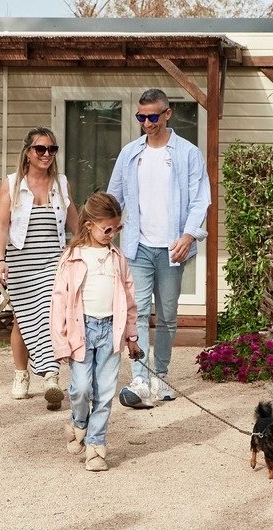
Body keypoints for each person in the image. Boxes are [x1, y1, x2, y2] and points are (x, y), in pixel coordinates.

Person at [107, 88, 211, 407]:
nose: (147, 123)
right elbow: (115, 197)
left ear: (167, 114)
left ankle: (161, 375)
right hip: (137, 249)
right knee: (137, 312)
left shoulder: (188, 153)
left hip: (172, 250)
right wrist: (104, 230)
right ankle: (140, 376)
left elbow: (200, 199)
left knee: (166, 315)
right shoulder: (129, 154)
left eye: (153, 116)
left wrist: (188, 236)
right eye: (142, 117)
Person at [49, 192, 140, 471]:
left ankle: (96, 448)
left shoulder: (117, 258)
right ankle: (78, 423)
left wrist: (132, 337)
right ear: (89, 225)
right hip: (81, 331)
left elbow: (129, 298)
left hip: (111, 330)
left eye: (118, 228)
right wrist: (60, 343)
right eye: (108, 228)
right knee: (81, 390)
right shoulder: (72, 258)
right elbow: (59, 302)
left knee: (104, 393)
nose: (113, 233)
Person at [0, 127, 78, 408]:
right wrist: (1, 259)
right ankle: (21, 374)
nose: (47, 155)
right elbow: (2, 224)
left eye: (52, 149)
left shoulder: (61, 183)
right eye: (40, 149)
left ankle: (51, 376)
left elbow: (74, 225)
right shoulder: (12, 183)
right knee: (22, 319)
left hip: (53, 259)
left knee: (50, 315)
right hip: (21, 260)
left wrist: (87, 249)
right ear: (28, 152)